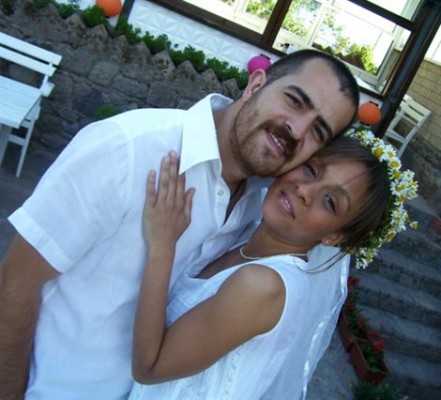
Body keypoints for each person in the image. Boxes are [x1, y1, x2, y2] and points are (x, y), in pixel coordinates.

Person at [0, 49, 359, 400]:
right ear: (255, 85)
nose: (296, 129)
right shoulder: (130, 148)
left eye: (318, 132)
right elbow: (15, 282)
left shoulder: (261, 207)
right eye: (295, 101)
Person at [129, 131, 417, 400]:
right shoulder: (245, 234)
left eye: (330, 201)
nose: (305, 191)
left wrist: (162, 246)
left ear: (334, 237)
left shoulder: (263, 286)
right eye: (312, 169)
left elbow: (150, 368)